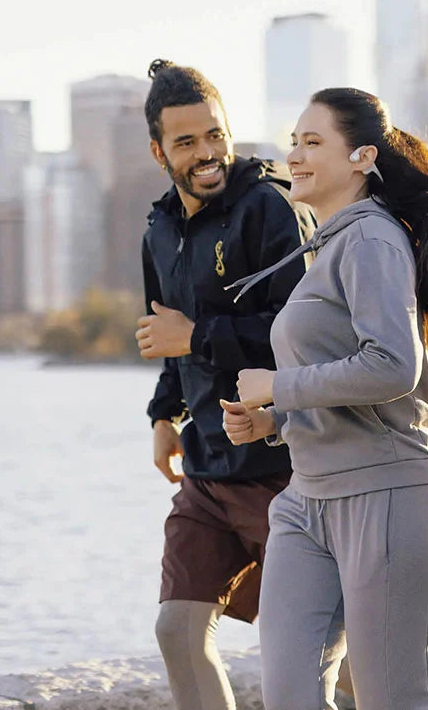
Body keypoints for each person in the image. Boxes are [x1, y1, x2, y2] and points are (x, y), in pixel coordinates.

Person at [218, 87, 428, 710]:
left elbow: (394, 365)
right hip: (306, 501)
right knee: (289, 696)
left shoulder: (371, 238)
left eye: (313, 142)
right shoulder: (327, 248)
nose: (294, 155)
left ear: (362, 157)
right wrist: (273, 418)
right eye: (293, 141)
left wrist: (278, 385)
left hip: (388, 495)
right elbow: (340, 374)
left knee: (393, 703)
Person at [135, 59, 313, 710]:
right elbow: (165, 337)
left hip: (286, 469)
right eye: (186, 143)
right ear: (159, 151)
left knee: (321, 652)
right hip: (208, 474)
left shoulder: (271, 206)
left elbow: (301, 337)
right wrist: (163, 417)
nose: (207, 153)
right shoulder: (157, 230)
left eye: (215, 135)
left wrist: (196, 335)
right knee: (177, 630)